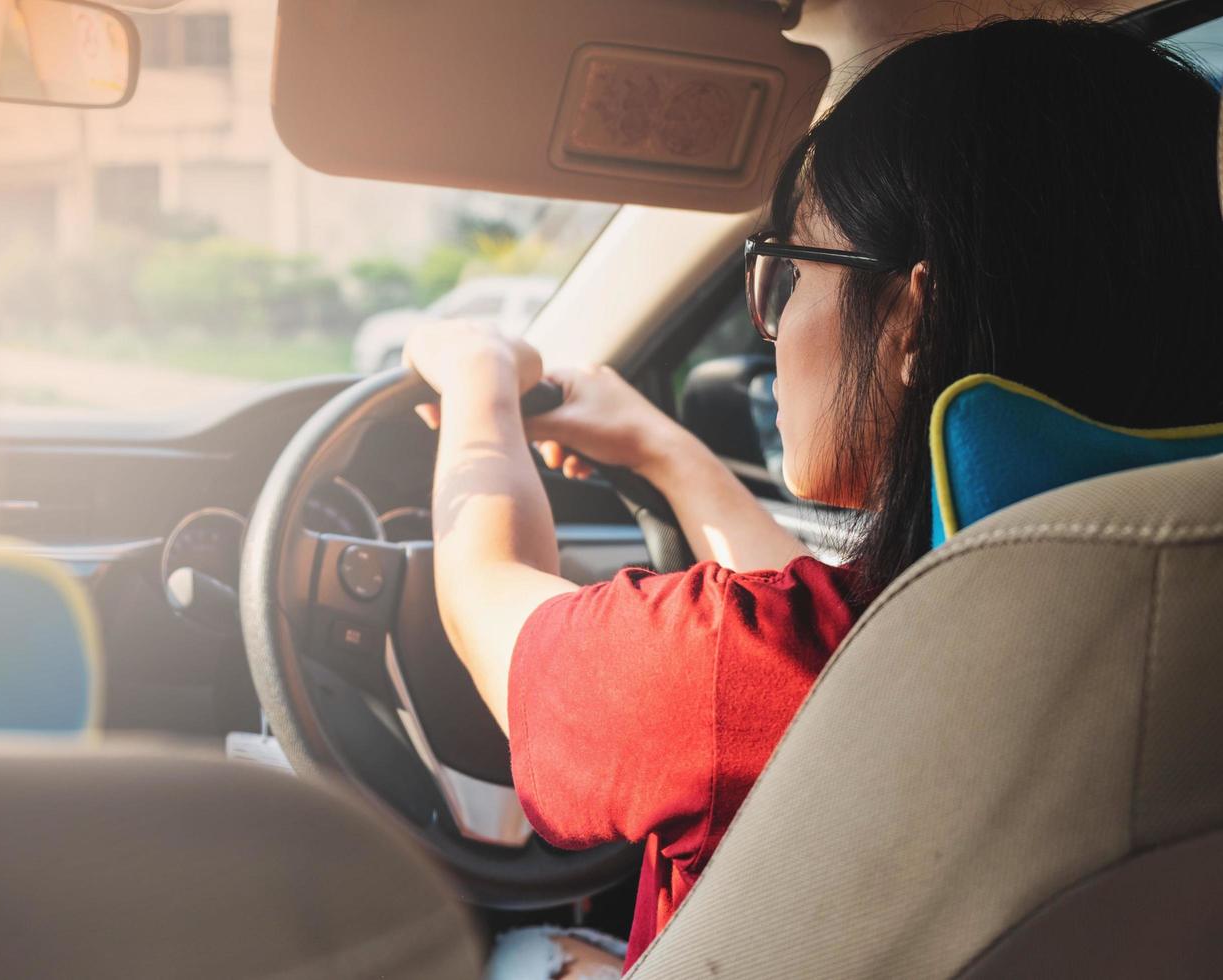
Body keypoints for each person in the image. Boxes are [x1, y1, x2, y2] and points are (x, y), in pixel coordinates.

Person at [405, 17, 1223, 977]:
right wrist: (667, 452)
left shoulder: (728, 666)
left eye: (791, 271)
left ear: (914, 317)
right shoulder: (1149, 628)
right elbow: (832, 671)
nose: (772, 324)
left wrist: (477, 381)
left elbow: (484, 597)